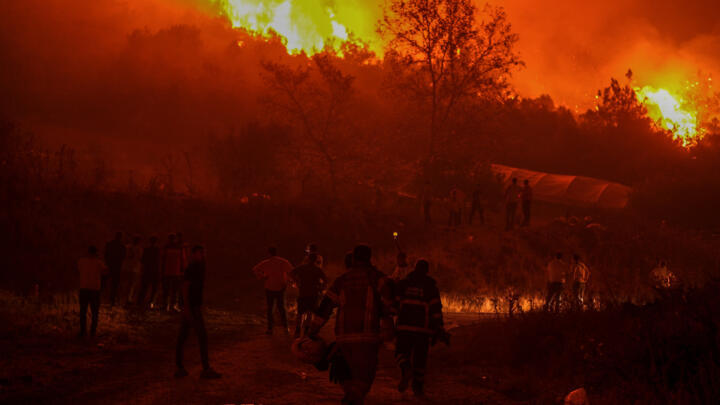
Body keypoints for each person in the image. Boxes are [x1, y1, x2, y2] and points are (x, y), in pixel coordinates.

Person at [308, 245, 394, 405]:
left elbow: (325, 307)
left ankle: (352, 396)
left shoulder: (341, 281)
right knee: (365, 376)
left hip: (343, 338)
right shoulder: (378, 279)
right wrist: (388, 327)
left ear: (353, 259)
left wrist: (312, 331)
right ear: (369, 258)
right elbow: (389, 304)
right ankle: (352, 398)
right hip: (368, 339)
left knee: (347, 375)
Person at [394, 259, 445, 397]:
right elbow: (436, 310)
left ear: (414, 269)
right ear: (427, 271)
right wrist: (439, 328)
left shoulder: (404, 283)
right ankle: (418, 388)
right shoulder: (431, 287)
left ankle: (405, 368)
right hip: (423, 330)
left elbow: (395, 302)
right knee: (420, 360)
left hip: (404, 328)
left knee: (400, 352)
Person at [175, 246, 221, 379]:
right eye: (201, 253)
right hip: (192, 306)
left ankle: (180, 367)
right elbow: (185, 287)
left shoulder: (199, 267)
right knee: (201, 336)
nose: (203, 255)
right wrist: (187, 307)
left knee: (183, 336)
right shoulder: (192, 268)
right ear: (195, 254)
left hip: (193, 305)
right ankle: (205, 369)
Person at [253, 247, 293, 335]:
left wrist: (262, 276)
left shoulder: (266, 262)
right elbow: (291, 271)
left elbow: (255, 269)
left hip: (269, 287)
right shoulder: (283, 262)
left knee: (270, 308)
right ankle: (286, 328)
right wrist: (288, 281)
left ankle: (270, 329)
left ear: (269, 253)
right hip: (280, 287)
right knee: (282, 308)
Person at [289, 253, 327, 337]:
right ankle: (307, 329)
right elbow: (325, 279)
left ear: (308, 259)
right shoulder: (317, 269)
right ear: (315, 260)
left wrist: (296, 282)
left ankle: (298, 330)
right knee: (310, 312)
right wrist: (321, 288)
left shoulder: (302, 268)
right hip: (313, 294)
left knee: (300, 312)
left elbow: (291, 273)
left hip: (303, 293)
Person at [78, 246, 107, 338]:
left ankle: (83, 331)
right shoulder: (99, 263)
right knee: (95, 312)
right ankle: (92, 332)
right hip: (95, 289)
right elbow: (106, 272)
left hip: (83, 288)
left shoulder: (81, 261)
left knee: (83, 311)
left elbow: (78, 270)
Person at [162, 234, 184, 312]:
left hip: (167, 271)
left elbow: (162, 259)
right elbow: (182, 260)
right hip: (176, 271)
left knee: (166, 290)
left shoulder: (166, 247)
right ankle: (173, 305)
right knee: (175, 290)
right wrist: (182, 270)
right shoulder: (179, 248)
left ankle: (165, 305)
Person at [104, 232, 126, 306]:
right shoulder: (122, 246)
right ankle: (112, 299)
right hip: (117, 266)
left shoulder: (109, 244)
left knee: (105, 282)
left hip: (109, 265)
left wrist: (106, 262)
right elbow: (123, 257)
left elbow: (105, 254)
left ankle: (103, 297)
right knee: (115, 284)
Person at [138, 236, 161, 308]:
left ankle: (140, 302)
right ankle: (151, 302)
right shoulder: (158, 250)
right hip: (155, 271)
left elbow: (142, 260)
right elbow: (159, 260)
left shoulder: (146, 249)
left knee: (144, 287)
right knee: (154, 288)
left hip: (147, 270)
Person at [125, 235, 143, 304]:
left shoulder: (128, 247)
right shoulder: (139, 249)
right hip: (135, 268)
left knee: (128, 284)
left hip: (128, 267)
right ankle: (129, 298)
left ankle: (127, 298)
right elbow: (140, 258)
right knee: (132, 284)